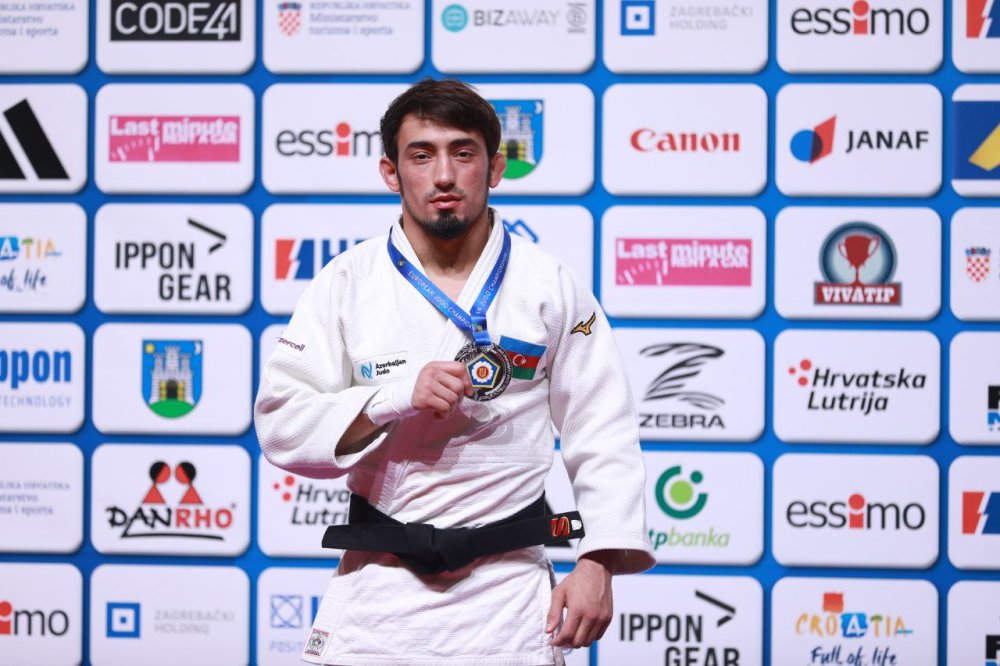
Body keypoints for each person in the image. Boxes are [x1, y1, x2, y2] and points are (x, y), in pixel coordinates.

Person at [254, 78, 653, 666]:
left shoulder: (548, 286)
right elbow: (281, 425)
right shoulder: (346, 283)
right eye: (422, 156)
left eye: (463, 153)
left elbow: (603, 429)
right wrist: (389, 400)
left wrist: (599, 560)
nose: (444, 175)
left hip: (509, 593)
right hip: (381, 591)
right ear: (391, 173)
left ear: (496, 169)